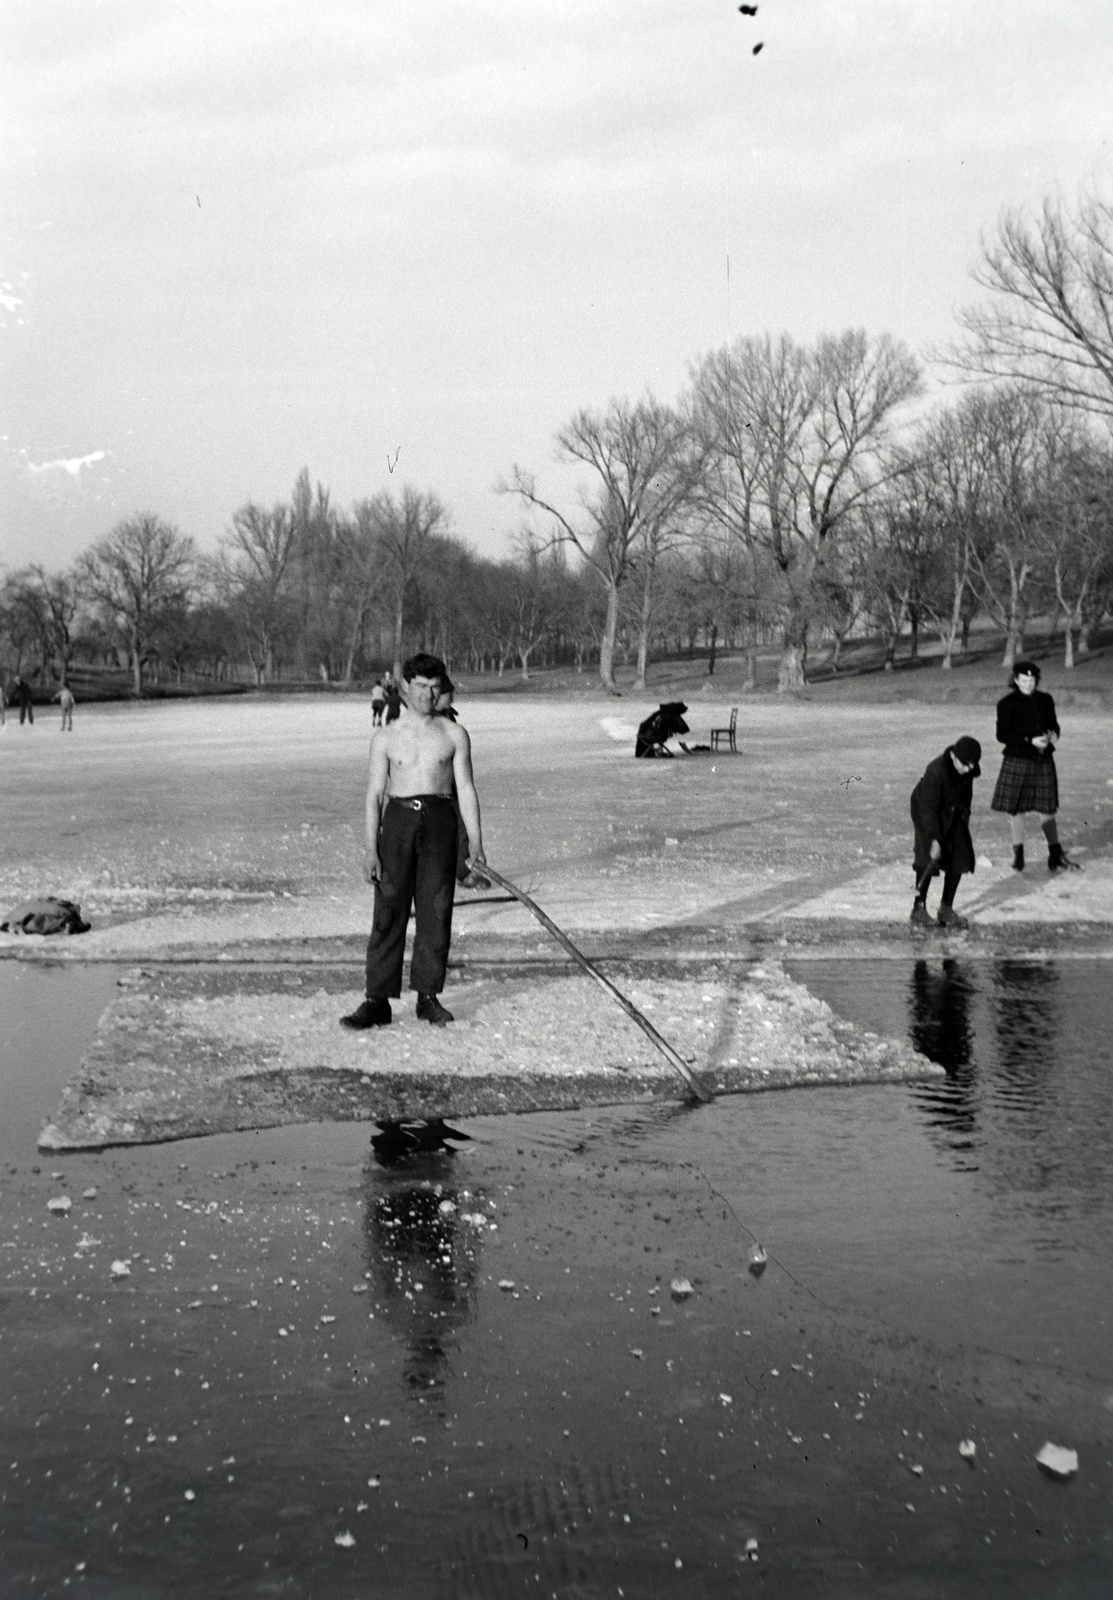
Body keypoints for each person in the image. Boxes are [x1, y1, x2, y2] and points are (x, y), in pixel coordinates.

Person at [341, 652, 486, 1031]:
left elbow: (466, 789)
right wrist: (371, 849)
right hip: (399, 822)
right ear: (405, 686)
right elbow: (374, 794)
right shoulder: (385, 737)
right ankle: (377, 1000)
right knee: (388, 912)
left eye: (435, 688)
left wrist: (475, 843)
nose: (428, 695)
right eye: (421, 686)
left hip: (440, 823)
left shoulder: (454, 734)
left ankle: (428, 997)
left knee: (436, 911)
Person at [990, 660, 1078, 871]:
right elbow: (1002, 735)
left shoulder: (1045, 700)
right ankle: (1018, 853)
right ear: (1015, 680)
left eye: (1031, 680)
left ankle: (1055, 853)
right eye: (1024, 680)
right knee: (1017, 807)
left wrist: (1054, 734)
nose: (1028, 684)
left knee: (1047, 806)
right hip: (1018, 759)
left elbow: (1053, 724)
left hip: (1043, 759)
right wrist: (1029, 740)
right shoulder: (1006, 704)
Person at [909, 736, 982, 931]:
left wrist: (963, 824)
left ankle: (946, 908)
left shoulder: (967, 770)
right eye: (965, 764)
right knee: (927, 856)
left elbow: (966, 801)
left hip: (952, 811)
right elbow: (928, 809)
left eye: (971, 766)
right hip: (926, 811)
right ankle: (918, 909)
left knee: (959, 854)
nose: (968, 769)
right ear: (954, 756)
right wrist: (934, 839)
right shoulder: (936, 770)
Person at [436, 674, 491, 891]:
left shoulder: (448, 717)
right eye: (448, 693)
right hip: (436, 788)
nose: (452, 696)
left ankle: (463, 871)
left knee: (462, 827)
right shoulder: (426, 721)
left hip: (453, 784)